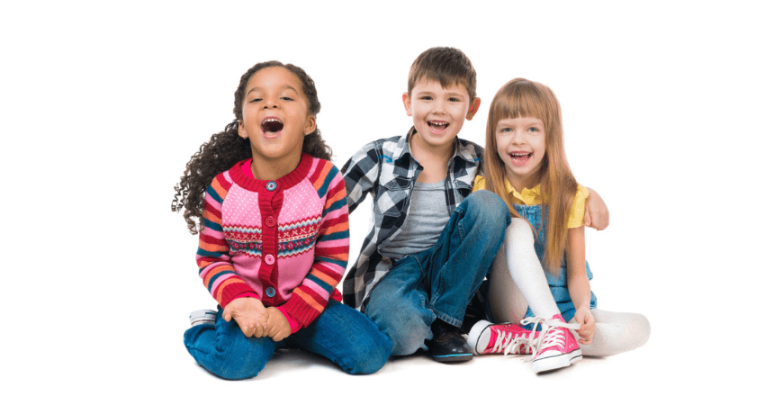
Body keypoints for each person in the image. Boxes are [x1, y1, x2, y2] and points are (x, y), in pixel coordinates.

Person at [341, 48, 609, 363]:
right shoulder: (379, 155)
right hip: (396, 271)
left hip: (454, 272)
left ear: (472, 108)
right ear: (407, 102)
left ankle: (446, 322)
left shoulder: (481, 161)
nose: (438, 110)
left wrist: (586, 192)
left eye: (453, 99)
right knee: (403, 338)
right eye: (427, 98)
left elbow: (534, 176)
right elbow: (327, 213)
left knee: (489, 204)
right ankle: (448, 322)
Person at [172, 61, 392, 379]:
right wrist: (241, 301)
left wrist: (291, 317)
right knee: (237, 363)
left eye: (286, 98)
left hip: (311, 305)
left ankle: (296, 335)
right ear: (243, 127)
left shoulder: (326, 180)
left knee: (369, 353)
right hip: (249, 310)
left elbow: (331, 260)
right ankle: (206, 329)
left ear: (308, 123)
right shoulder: (223, 188)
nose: (271, 103)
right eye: (257, 98)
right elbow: (211, 259)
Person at [466, 78, 650, 373]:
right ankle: (553, 331)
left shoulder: (570, 196)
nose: (518, 139)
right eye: (507, 129)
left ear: (549, 136)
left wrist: (582, 310)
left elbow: (577, 274)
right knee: (517, 229)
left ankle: (532, 339)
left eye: (532, 129)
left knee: (640, 327)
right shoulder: (485, 190)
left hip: (564, 306)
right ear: (494, 136)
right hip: (512, 305)